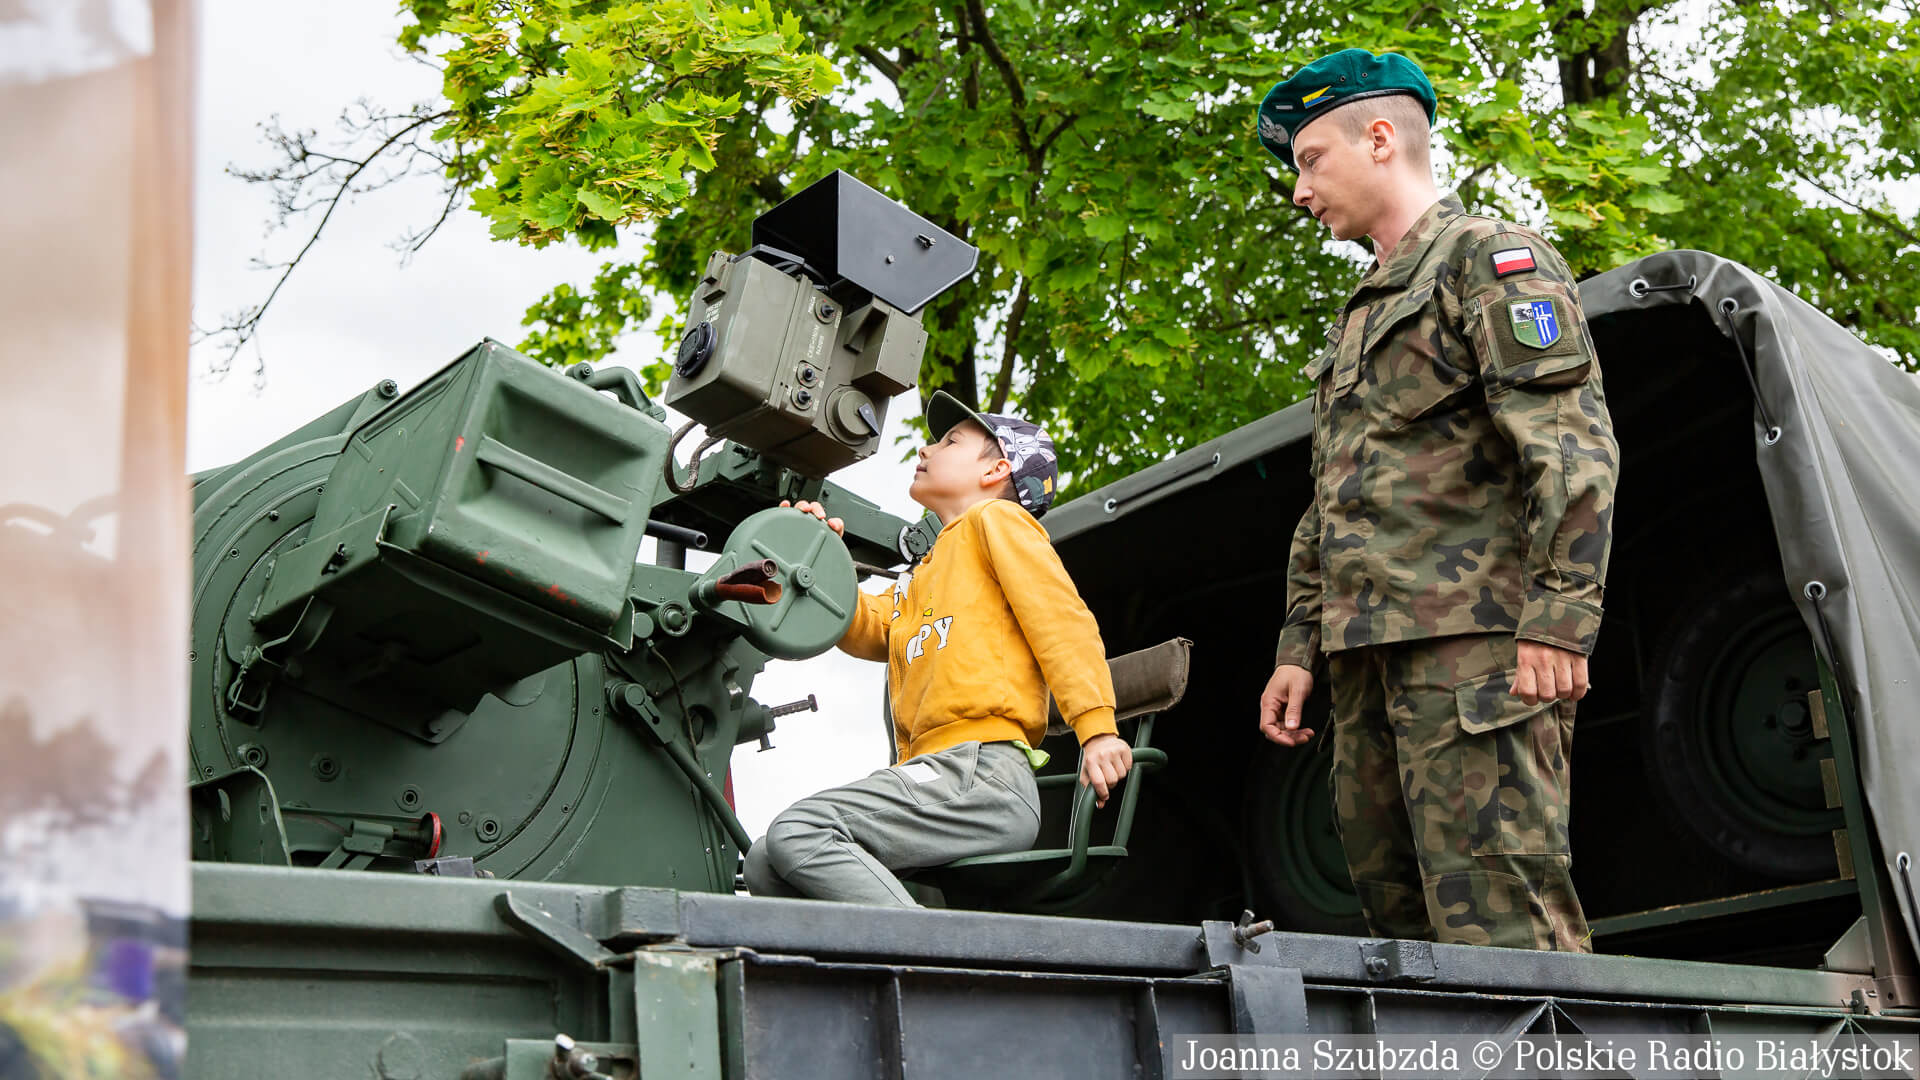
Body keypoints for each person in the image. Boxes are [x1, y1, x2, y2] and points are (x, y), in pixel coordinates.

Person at [1251, 48, 1619, 951]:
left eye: (1308, 161)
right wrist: (1301, 646)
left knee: (1505, 933)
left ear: (1380, 139)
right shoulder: (1362, 313)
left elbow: (1570, 446)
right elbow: (1331, 500)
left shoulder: (1490, 260)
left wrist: (1559, 618)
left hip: (1476, 659)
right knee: (1405, 945)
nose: (1300, 193)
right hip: (1366, 663)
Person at [743, 392, 1133, 905]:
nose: (926, 449)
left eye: (949, 441)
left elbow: (1062, 622)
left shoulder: (997, 522)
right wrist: (820, 560)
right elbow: (867, 628)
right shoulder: (926, 570)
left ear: (996, 470)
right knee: (766, 862)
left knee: (801, 831)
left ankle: (928, 967)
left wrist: (1098, 728)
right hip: (935, 774)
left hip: (982, 775)